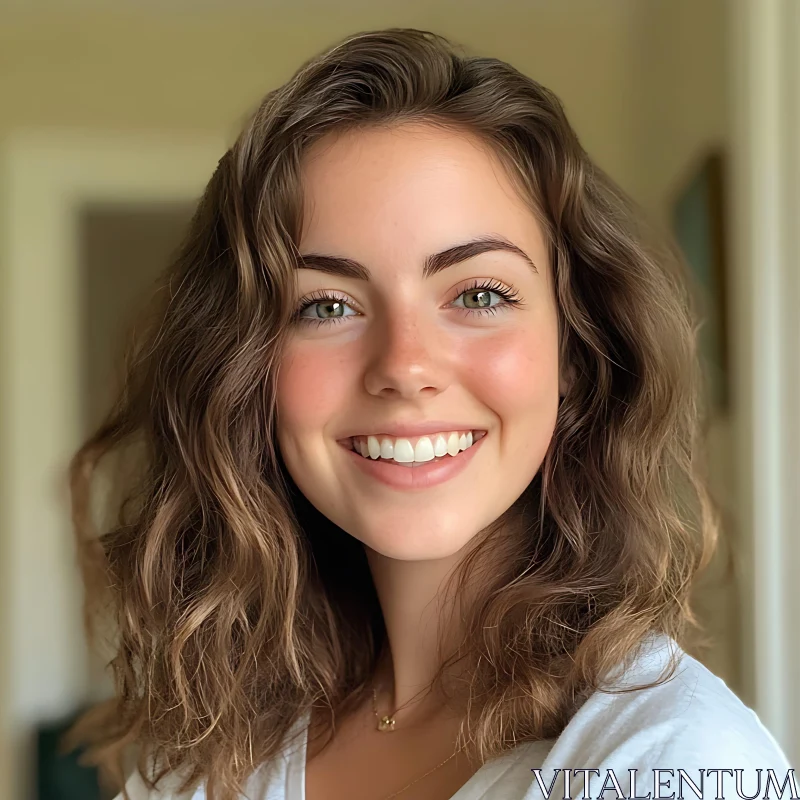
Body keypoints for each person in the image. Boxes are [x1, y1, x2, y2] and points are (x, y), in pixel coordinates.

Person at [67, 28, 793, 800]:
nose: (405, 366)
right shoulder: (206, 756)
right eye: (326, 304)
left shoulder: (675, 764)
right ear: (246, 371)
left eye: (479, 294)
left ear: (576, 355)